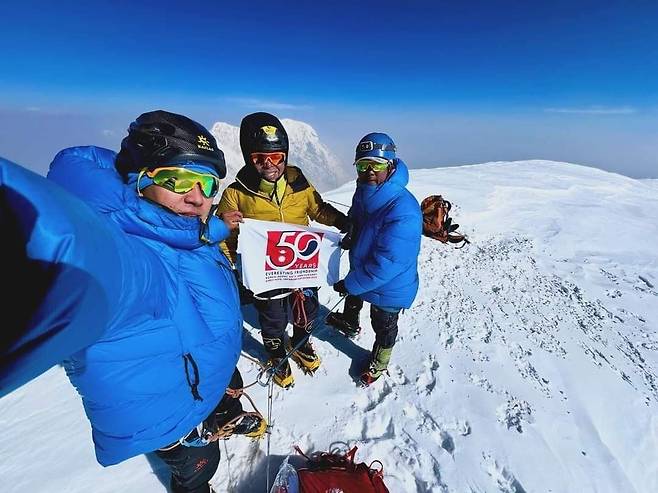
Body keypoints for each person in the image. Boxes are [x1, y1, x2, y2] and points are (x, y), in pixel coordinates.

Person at [1, 110, 265, 493]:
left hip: (194, 380)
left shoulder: (166, 223)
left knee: (223, 392)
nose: (197, 198)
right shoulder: (128, 259)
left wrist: (221, 227)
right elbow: (86, 264)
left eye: (207, 184)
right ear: (138, 180)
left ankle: (219, 415)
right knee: (198, 472)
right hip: (168, 418)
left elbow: (188, 235)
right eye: (178, 179)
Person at [216, 112, 350, 389]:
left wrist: (342, 222)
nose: (269, 164)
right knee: (273, 320)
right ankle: (277, 354)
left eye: (276, 157)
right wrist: (231, 267)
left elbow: (318, 209)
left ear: (285, 155)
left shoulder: (300, 185)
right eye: (259, 158)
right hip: (266, 272)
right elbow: (224, 235)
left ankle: (300, 344)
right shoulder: (236, 194)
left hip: (302, 264)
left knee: (307, 311)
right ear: (248, 157)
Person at [327, 132, 422, 386]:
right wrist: (352, 233)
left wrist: (350, 284)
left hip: (390, 285)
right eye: (362, 165)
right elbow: (359, 215)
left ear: (390, 166)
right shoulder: (366, 190)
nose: (369, 171)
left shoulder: (403, 211)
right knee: (354, 295)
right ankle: (349, 322)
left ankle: (379, 363)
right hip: (364, 267)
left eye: (376, 165)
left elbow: (388, 264)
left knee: (383, 323)